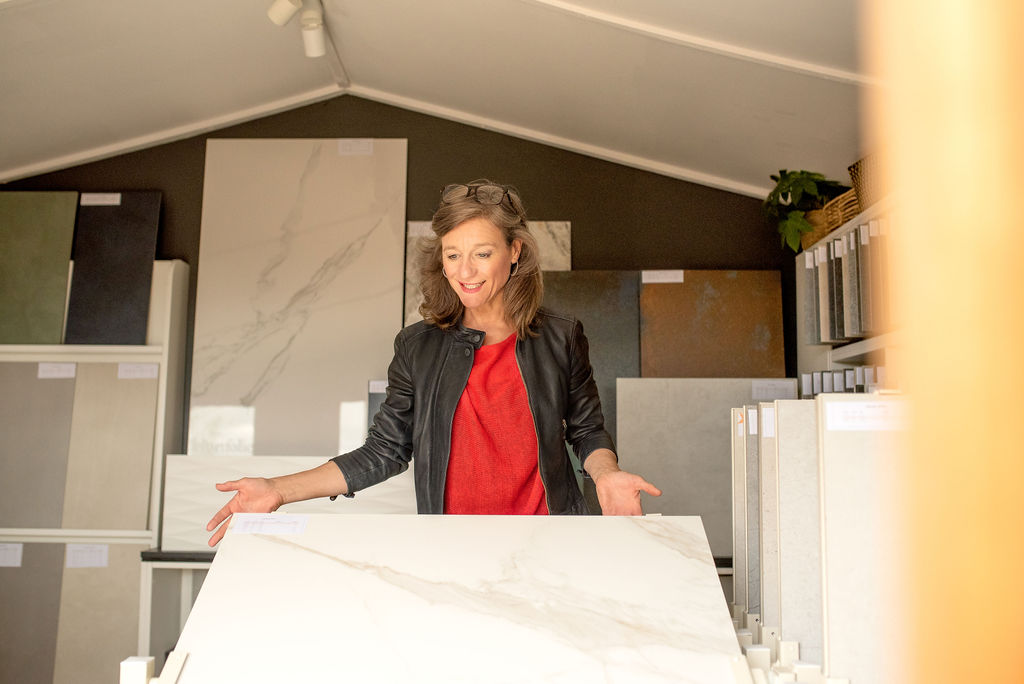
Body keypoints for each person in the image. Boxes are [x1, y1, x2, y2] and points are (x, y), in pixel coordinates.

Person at [207, 180, 660, 546]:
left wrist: (608, 474)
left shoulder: (561, 336)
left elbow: (586, 430)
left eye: (482, 253)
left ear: (515, 251)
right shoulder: (416, 348)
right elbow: (384, 451)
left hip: (552, 541)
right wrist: (279, 489)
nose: (465, 272)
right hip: (452, 548)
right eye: (452, 255)